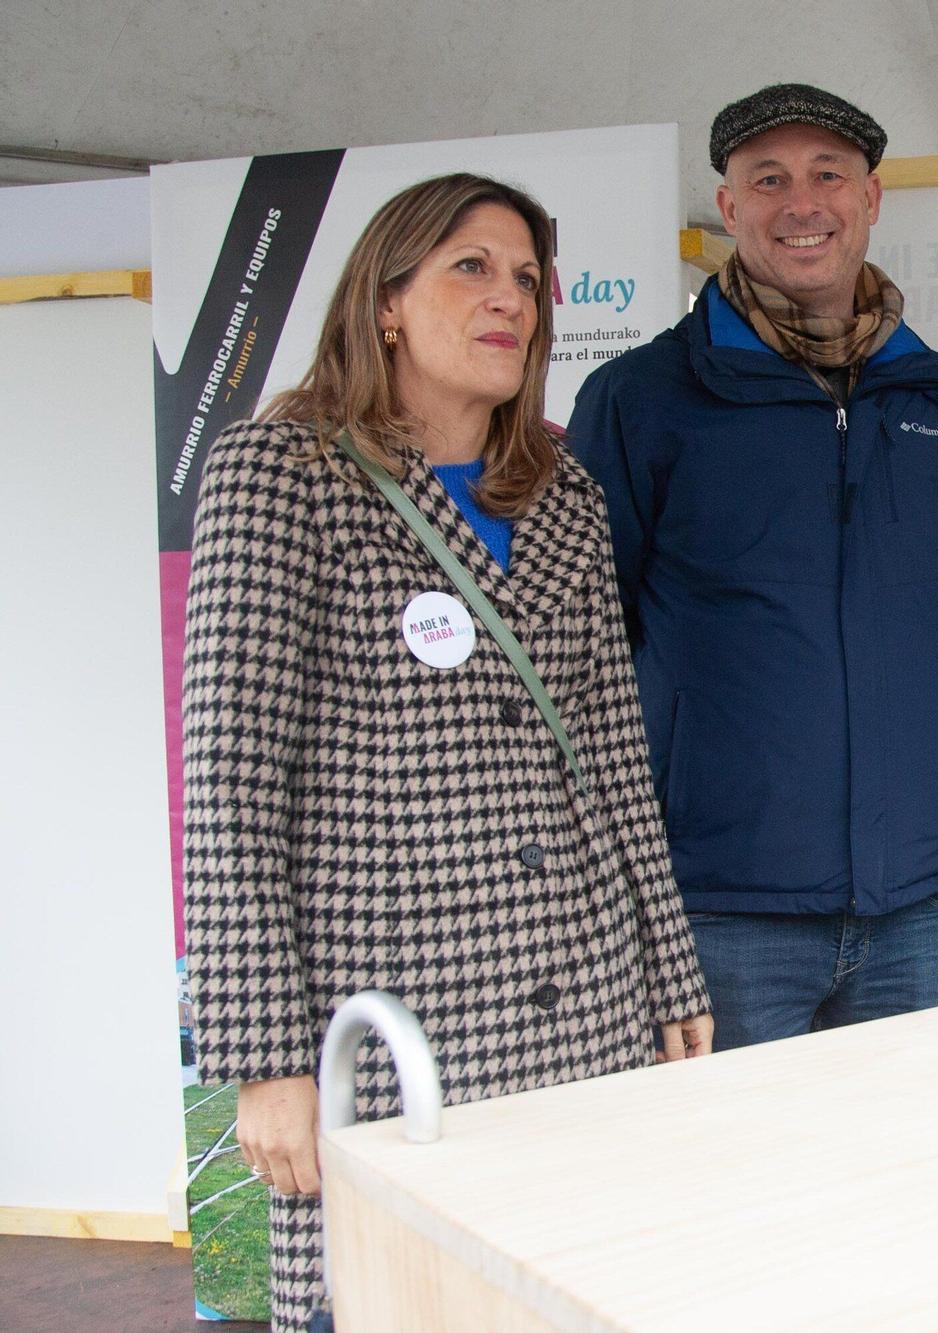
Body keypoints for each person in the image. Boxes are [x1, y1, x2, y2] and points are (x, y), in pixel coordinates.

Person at [181, 173, 712, 1331]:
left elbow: (613, 760)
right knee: (400, 1298)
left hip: (586, 999)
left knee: (575, 1292)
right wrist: (265, 1058)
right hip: (393, 1022)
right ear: (385, 301)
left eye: (524, 277)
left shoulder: (565, 495)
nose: (508, 297)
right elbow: (230, 785)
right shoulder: (280, 472)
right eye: (470, 267)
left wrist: (671, 973)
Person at [568, 85, 938, 1049]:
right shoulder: (640, 398)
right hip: (720, 906)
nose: (802, 203)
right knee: (728, 1153)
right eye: (768, 180)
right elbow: (594, 638)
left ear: (871, 198)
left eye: (827, 175)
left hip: (915, 899)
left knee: (907, 1148)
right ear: (729, 208)